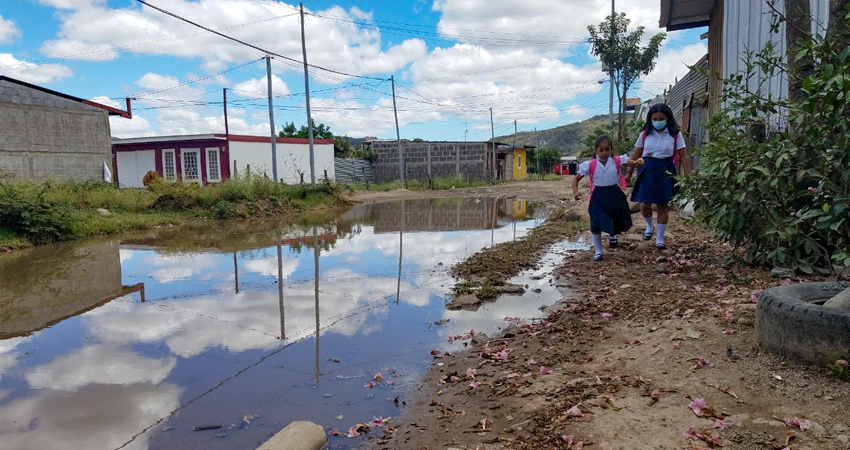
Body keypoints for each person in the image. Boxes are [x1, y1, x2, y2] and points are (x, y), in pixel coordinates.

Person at [628, 104, 691, 250]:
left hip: (665, 171)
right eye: (654, 119)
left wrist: (688, 175)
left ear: (667, 118)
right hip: (646, 170)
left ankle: (660, 239)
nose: (657, 121)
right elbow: (637, 153)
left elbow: (683, 155)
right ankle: (649, 226)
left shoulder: (675, 134)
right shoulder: (645, 133)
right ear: (650, 119)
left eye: (661, 119)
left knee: (663, 204)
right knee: (644, 202)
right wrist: (629, 172)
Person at [572, 135, 634, 261]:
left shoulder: (616, 160)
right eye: (601, 150)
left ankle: (613, 236)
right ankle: (598, 251)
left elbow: (630, 162)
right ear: (596, 150)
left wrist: (636, 163)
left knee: (614, 217)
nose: (604, 153)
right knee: (596, 221)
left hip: (614, 194)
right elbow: (576, 179)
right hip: (598, 196)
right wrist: (576, 192)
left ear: (611, 150)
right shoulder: (590, 165)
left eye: (607, 150)